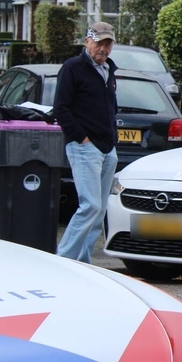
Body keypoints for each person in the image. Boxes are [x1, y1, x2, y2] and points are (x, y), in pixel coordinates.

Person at [54, 21, 119, 262]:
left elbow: (111, 107)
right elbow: (60, 108)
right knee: (90, 205)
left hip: (107, 148)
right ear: (87, 41)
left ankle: (82, 262)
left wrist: (113, 138)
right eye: (99, 42)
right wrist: (82, 137)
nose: (103, 48)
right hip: (84, 147)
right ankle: (63, 260)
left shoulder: (109, 70)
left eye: (108, 43)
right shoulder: (73, 67)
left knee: (99, 210)